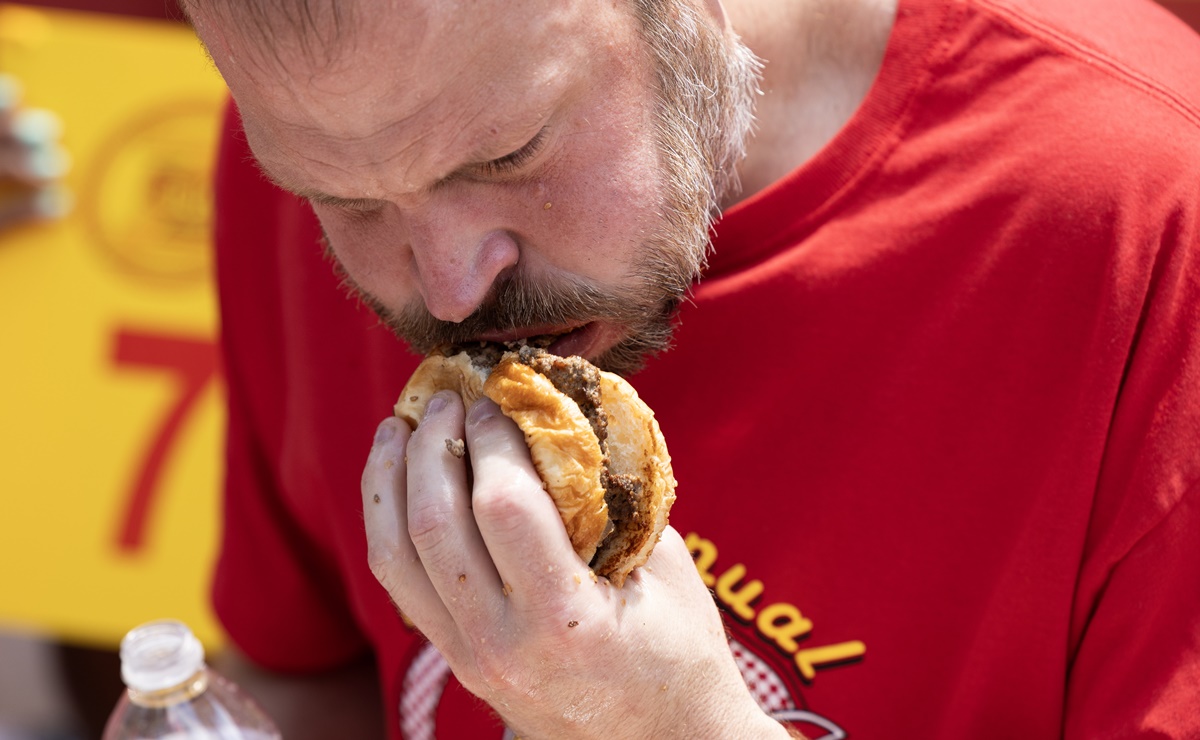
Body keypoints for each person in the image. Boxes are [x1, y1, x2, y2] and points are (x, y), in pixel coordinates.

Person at [179, 0, 1200, 736]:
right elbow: (307, 667)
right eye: (345, 202)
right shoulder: (342, 124)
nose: (448, 287)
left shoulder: (1144, 221)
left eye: (508, 155)